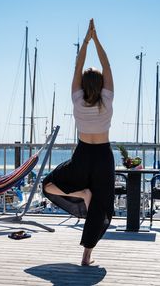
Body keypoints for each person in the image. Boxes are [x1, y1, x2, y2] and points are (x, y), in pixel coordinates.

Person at [43, 18, 115, 266]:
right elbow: (106, 64)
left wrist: (85, 40)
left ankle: (81, 193)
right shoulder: (107, 98)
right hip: (103, 156)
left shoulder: (77, 100)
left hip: (83, 154)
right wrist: (96, 40)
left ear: (83, 86)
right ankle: (86, 257)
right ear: (102, 85)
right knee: (100, 205)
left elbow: (78, 66)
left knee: (48, 184)